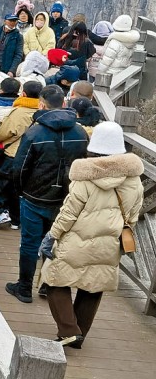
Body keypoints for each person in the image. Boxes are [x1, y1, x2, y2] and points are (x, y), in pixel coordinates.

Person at [42, 121, 143, 347]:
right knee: (94, 285)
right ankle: (79, 335)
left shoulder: (85, 177)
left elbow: (69, 212)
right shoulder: (135, 179)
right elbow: (134, 215)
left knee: (54, 279)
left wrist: (53, 235)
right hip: (110, 241)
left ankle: (69, 329)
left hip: (76, 241)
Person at [5, 85, 90, 303]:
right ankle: (47, 284)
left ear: (41, 104)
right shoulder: (80, 132)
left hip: (35, 195)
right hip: (64, 196)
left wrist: (21, 191)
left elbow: (20, 167)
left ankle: (24, 287)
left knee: (30, 242)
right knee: (55, 241)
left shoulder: (35, 131)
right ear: (64, 102)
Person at [0, 80, 42, 228]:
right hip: (32, 157)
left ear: (23, 93)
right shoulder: (44, 113)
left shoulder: (19, 111)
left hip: (12, 154)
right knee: (18, 190)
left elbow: (2, 133)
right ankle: (16, 219)